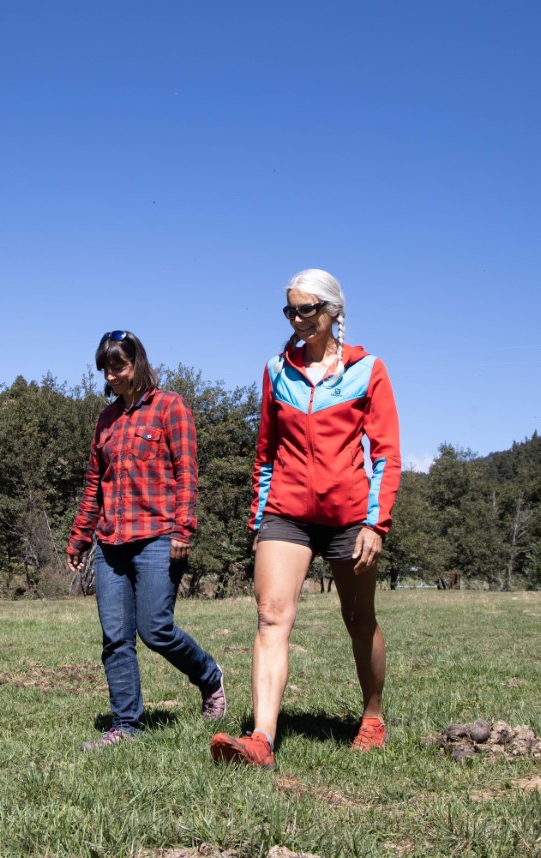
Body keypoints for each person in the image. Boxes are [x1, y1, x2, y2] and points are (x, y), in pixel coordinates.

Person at [210, 269, 401, 767]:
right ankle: (261, 740)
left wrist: (375, 524)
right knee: (271, 618)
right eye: (290, 311)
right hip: (286, 513)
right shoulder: (276, 370)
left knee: (359, 620)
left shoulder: (368, 369)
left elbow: (385, 454)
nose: (296, 319)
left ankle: (373, 715)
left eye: (306, 310)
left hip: (349, 517)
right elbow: (266, 452)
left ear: (333, 311)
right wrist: (259, 520)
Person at [66, 330, 225, 750]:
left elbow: (186, 472)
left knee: (155, 629)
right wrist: (80, 538)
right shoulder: (106, 419)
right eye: (105, 368)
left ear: (137, 362)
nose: (112, 375)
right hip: (112, 543)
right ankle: (127, 726)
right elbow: (93, 484)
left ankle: (209, 676)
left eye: (118, 365)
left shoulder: (170, 407)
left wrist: (183, 529)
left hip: (158, 535)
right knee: (116, 637)